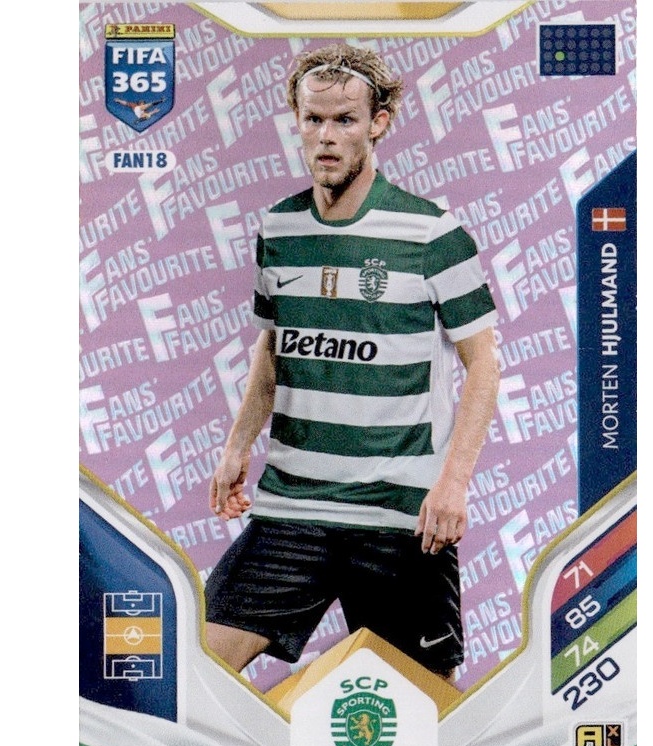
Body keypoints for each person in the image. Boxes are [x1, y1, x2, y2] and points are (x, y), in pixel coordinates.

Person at [204, 43, 500, 680]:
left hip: (397, 516)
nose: (327, 136)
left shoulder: (432, 232)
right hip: (293, 507)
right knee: (193, 670)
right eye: (313, 119)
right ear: (297, 121)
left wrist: (453, 484)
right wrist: (237, 446)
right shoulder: (279, 228)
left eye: (344, 119)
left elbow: (484, 364)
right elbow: (273, 348)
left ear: (378, 123)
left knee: (427, 707)